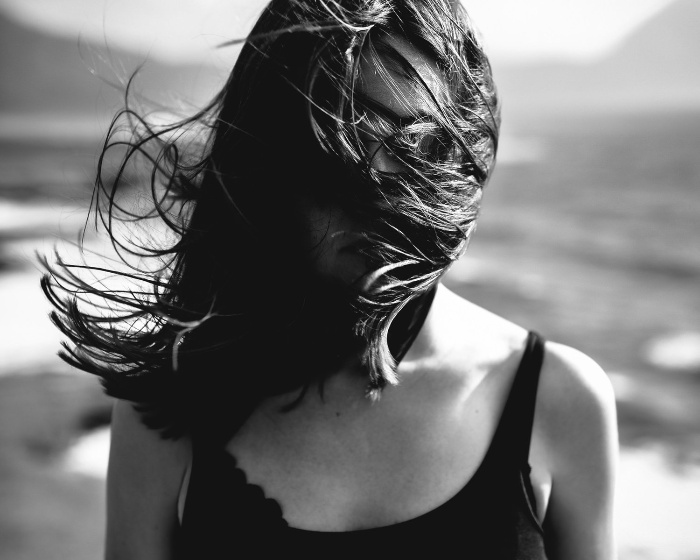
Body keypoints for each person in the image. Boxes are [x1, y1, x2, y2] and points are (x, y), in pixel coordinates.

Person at [41, 0, 618, 558]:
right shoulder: (166, 406)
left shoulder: (559, 400)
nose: (376, 194)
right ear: (267, 161)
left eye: (411, 145)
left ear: (454, 155)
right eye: (338, 146)